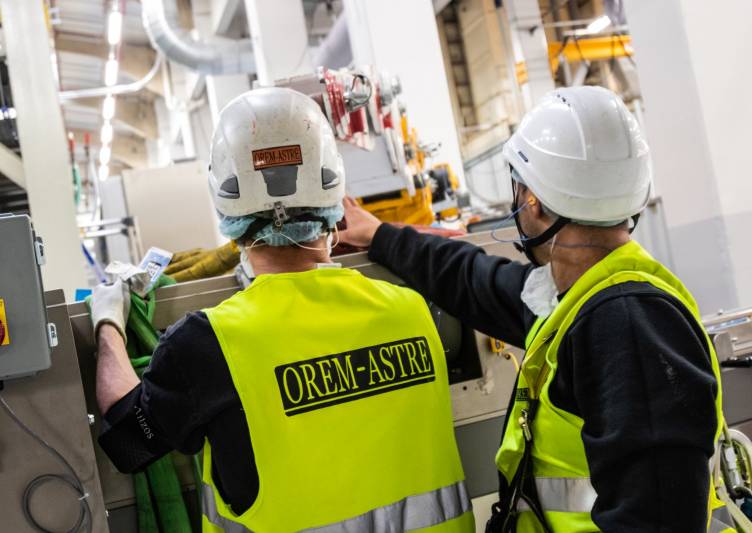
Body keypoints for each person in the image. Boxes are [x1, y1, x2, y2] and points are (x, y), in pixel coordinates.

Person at [339, 86, 734, 533]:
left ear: (535, 203)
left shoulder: (625, 324)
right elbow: (475, 280)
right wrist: (381, 237)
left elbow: (659, 521)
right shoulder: (579, 297)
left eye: (519, 187)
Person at [89, 87, 474, 532]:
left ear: (227, 206)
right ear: (334, 202)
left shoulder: (207, 343)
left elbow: (129, 440)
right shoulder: (412, 311)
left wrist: (108, 322)